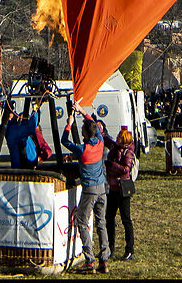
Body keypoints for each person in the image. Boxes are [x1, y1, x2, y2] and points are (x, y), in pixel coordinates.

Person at [71, 114, 111, 274]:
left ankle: (89, 260)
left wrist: (68, 125)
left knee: (81, 221)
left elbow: (64, 141)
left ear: (85, 133)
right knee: (101, 223)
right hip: (102, 188)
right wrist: (83, 112)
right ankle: (104, 259)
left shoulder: (82, 149)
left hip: (89, 190)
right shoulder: (100, 143)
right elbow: (97, 128)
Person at [106, 125, 139, 262]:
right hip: (113, 188)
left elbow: (126, 169)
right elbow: (106, 139)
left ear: (124, 140)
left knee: (126, 219)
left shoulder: (128, 152)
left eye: (119, 137)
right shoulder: (115, 148)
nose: (117, 138)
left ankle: (129, 249)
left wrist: (111, 165)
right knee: (109, 218)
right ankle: (110, 248)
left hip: (123, 189)